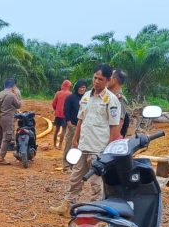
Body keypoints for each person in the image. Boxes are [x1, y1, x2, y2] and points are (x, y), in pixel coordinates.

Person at [49, 64, 121, 216]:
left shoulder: (111, 100)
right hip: (83, 145)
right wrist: (75, 139)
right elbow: (81, 119)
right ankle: (67, 204)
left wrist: (109, 149)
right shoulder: (87, 96)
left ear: (108, 80)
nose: (96, 81)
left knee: (96, 182)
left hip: (98, 148)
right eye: (95, 78)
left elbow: (114, 127)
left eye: (100, 79)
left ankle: (96, 210)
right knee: (75, 176)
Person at [0, 78, 22, 165]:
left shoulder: (0, 93)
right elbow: (18, 105)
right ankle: (1, 158)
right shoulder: (11, 95)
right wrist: (17, 97)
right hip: (7, 118)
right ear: (13, 86)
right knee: (7, 137)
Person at [61, 79, 88, 172]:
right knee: (69, 145)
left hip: (84, 127)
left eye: (84, 87)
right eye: (80, 87)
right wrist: (68, 122)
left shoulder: (86, 98)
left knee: (79, 147)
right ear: (77, 88)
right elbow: (66, 110)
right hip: (72, 125)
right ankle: (66, 165)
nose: (82, 89)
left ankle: (75, 165)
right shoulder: (71, 98)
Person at [52, 80, 73, 148]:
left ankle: (54, 144)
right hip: (65, 115)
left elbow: (54, 103)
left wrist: (56, 109)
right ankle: (60, 145)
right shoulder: (70, 94)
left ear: (62, 85)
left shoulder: (58, 93)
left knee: (57, 129)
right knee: (63, 130)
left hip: (58, 114)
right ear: (69, 86)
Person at [108, 69, 129, 137]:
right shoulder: (109, 96)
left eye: (109, 77)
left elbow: (119, 123)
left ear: (114, 80)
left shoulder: (120, 99)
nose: (107, 80)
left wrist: (111, 141)